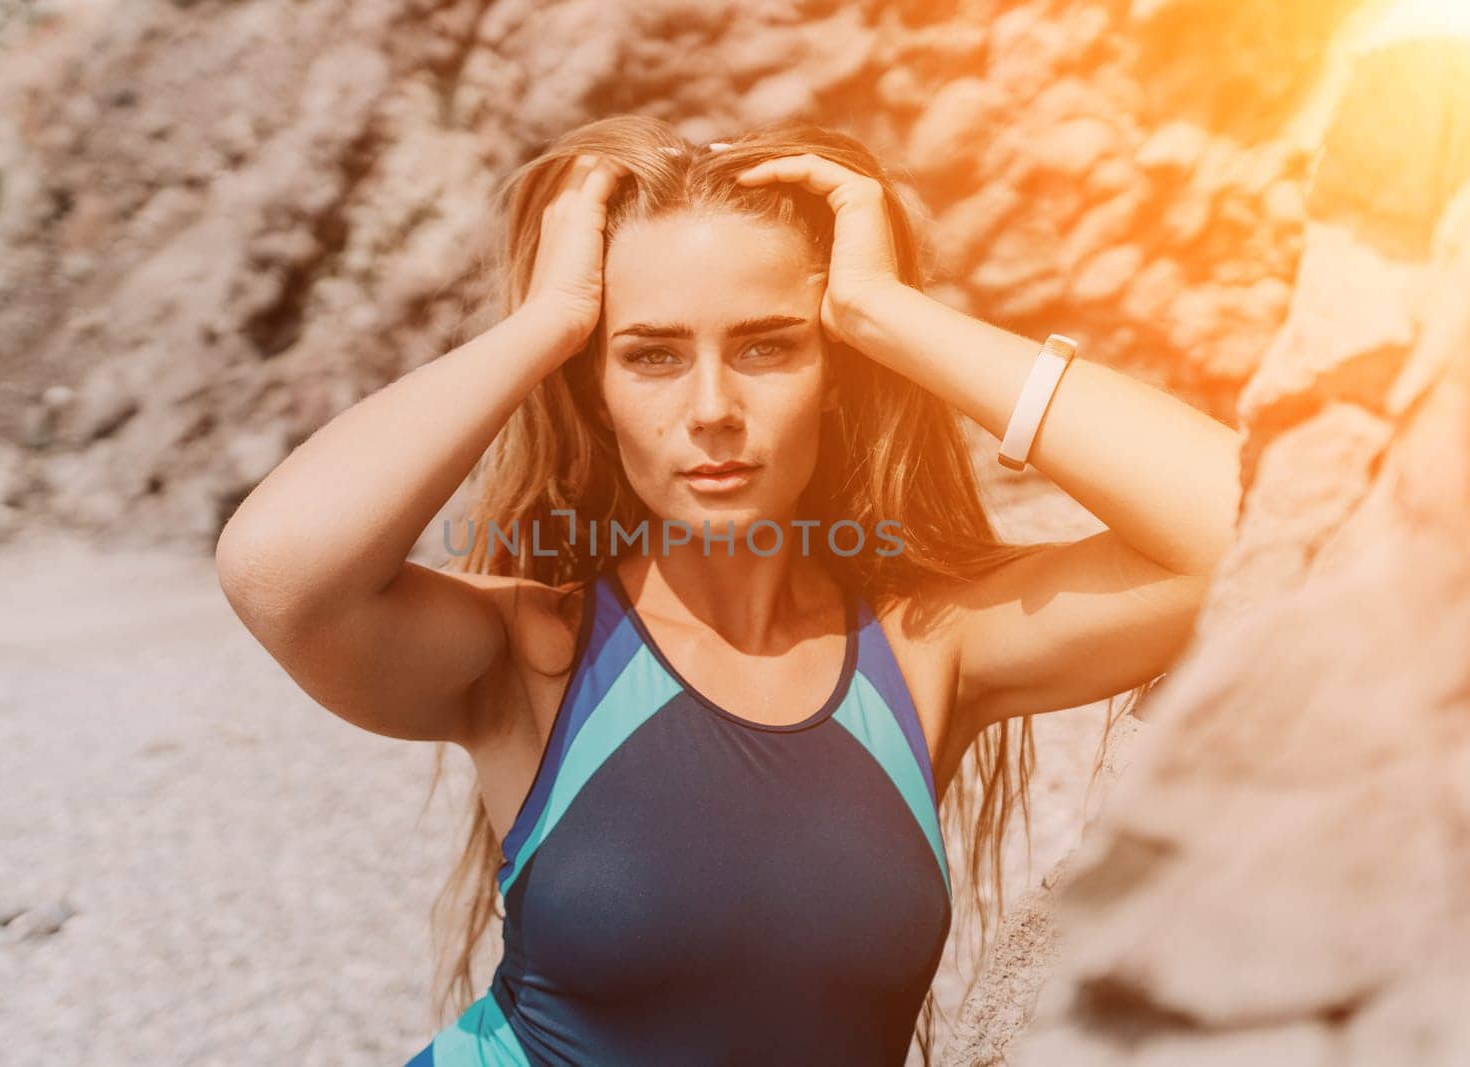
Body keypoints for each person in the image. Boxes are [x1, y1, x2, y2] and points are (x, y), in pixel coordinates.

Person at [214, 115, 1241, 1066]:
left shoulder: (929, 650)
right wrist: (551, 321)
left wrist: (887, 312)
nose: (712, 408)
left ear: (833, 368)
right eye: (649, 355)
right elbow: (278, 570)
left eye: (767, 344)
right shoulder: (535, 650)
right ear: (594, 385)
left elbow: (1243, 534)